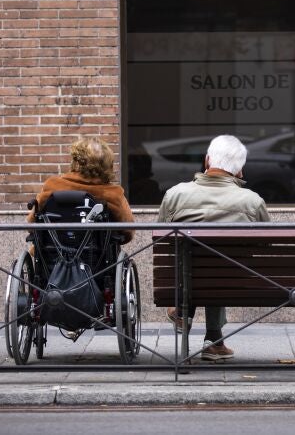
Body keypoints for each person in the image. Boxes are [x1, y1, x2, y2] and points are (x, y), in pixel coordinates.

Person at [158, 134, 270, 361]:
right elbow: (266, 244)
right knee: (219, 265)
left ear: (208, 161)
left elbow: (161, 238)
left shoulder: (175, 194)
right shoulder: (252, 201)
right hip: (234, 280)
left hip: (186, 278)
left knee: (196, 263)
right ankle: (213, 340)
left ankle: (183, 311)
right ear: (239, 170)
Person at [27, 136, 135, 244]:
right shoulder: (113, 194)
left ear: (76, 161)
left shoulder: (52, 185)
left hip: (53, 255)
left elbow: (31, 224)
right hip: (97, 256)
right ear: (106, 165)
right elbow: (128, 232)